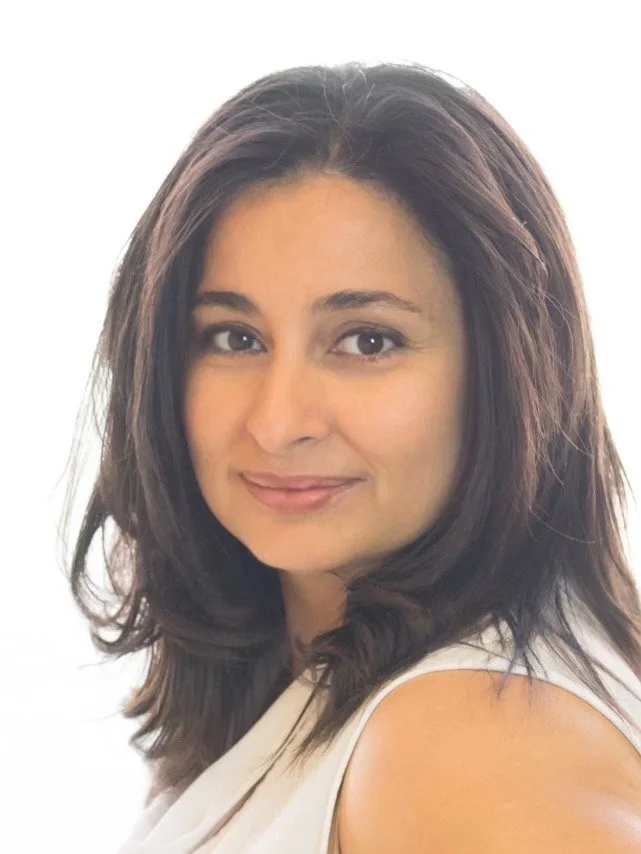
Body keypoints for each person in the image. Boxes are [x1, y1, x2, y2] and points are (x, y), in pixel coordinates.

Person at [61, 61, 641, 852]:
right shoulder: (318, 700)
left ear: (509, 370)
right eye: (235, 338)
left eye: (367, 340)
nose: (277, 422)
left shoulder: (470, 746)